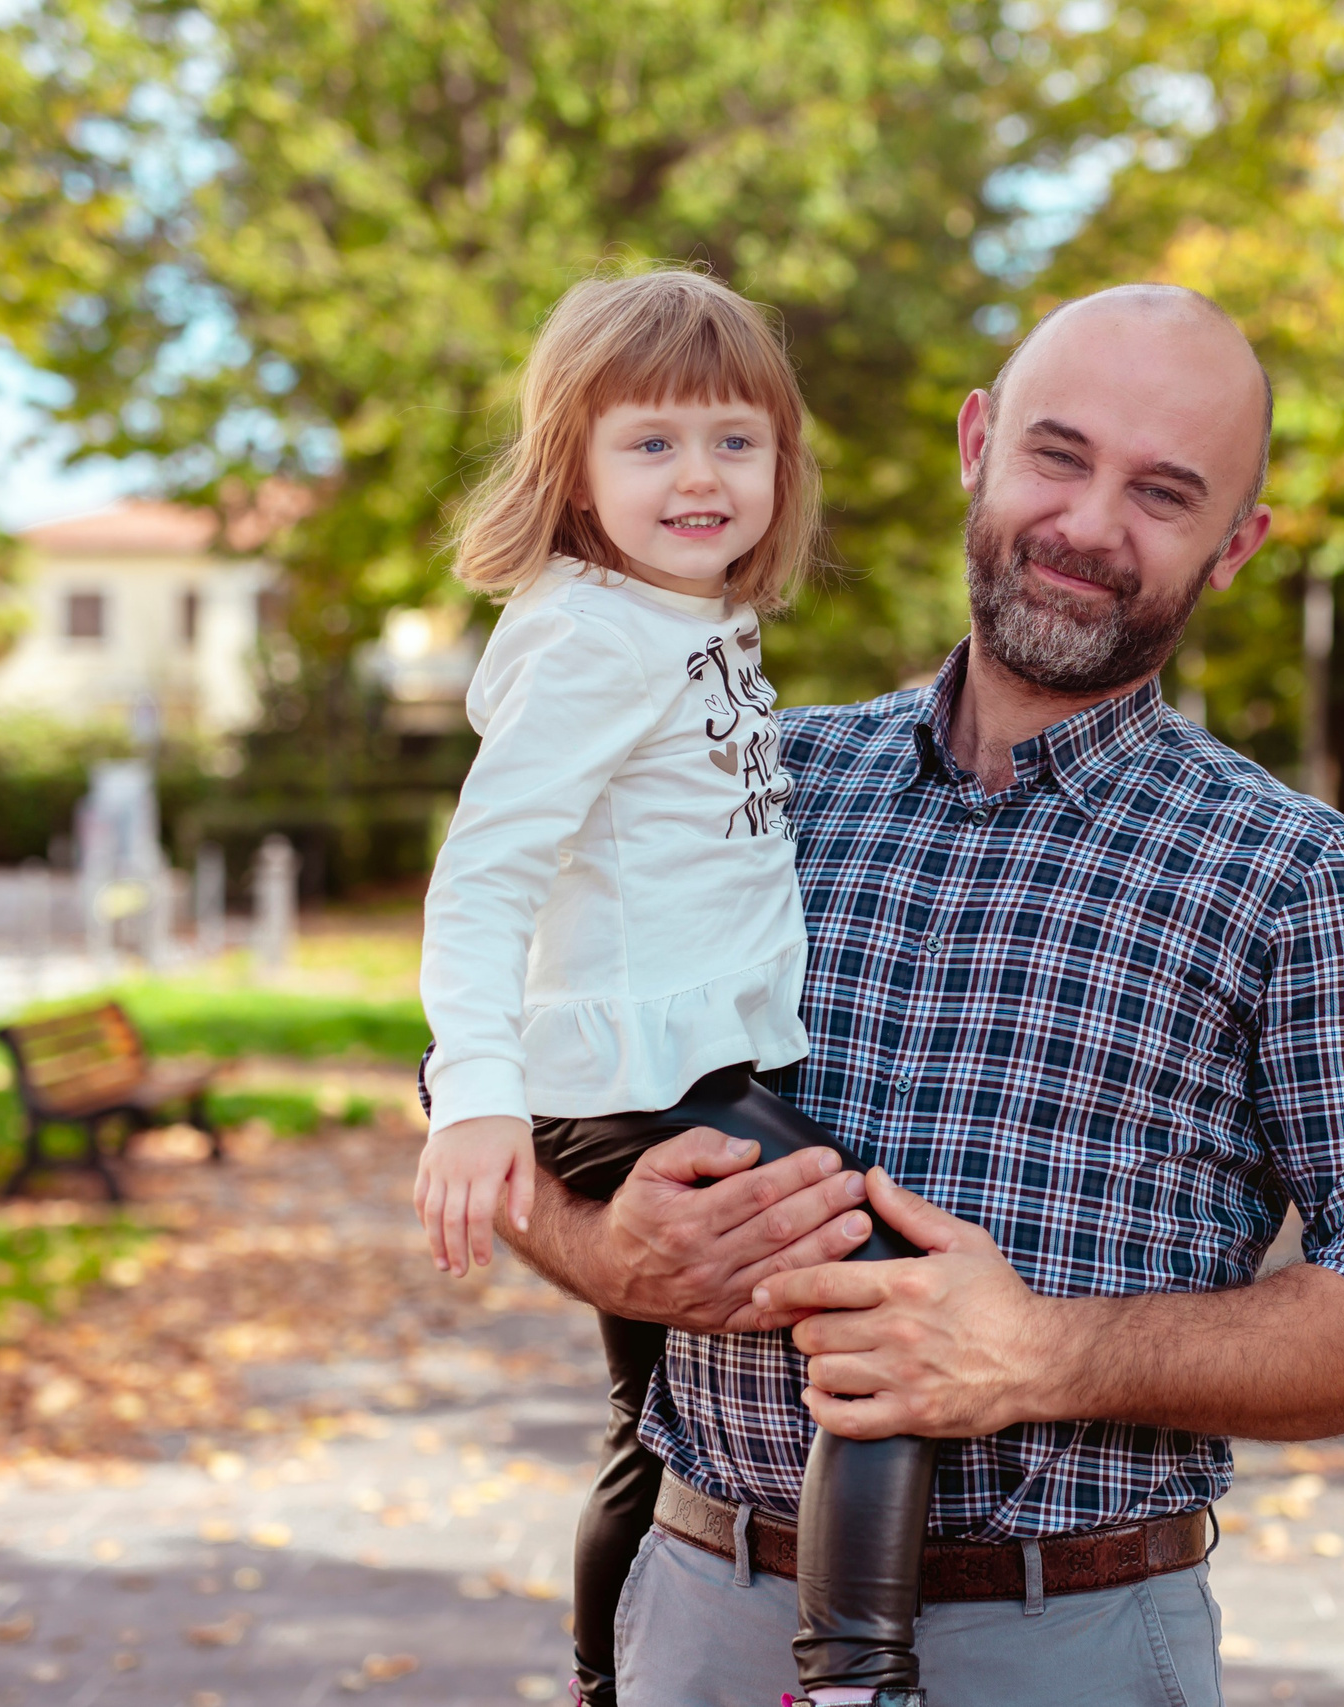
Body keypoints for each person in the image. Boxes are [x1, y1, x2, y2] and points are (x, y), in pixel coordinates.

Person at [494, 283, 1344, 1707]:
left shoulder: (1292, 876)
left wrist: (1047, 1351)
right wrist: (603, 1253)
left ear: (1236, 548)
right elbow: (478, 1074)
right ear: (978, 443)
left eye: (1165, 493)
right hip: (702, 1623)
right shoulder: (746, 777)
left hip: (1063, 1648)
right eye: (1058, 454)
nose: (1091, 525)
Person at [411, 266, 940, 1707]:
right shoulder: (590, 640)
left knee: (652, 1425)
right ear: (574, 476)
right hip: (641, 1087)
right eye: (650, 442)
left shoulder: (678, 625)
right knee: (891, 1316)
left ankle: (600, 1682)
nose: (698, 475)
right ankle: (855, 1679)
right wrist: (472, 1100)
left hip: (689, 1069)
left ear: (783, 463)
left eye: (734, 440)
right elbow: (484, 884)